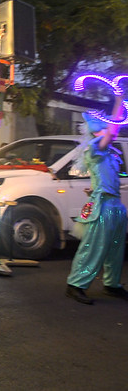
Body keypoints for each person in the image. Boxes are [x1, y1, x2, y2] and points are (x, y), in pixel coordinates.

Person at [66, 95, 128, 305]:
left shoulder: (110, 153)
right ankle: (75, 285)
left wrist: (92, 187)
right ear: (95, 131)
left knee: (116, 248)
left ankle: (112, 284)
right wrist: (119, 101)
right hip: (102, 206)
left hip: (116, 205)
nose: (108, 129)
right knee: (94, 247)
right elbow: (112, 132)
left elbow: (102, 176)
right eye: (104, 127)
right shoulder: (94, 148)